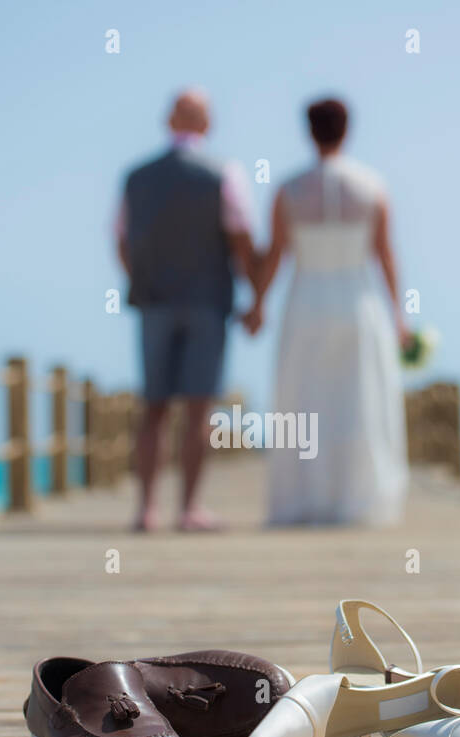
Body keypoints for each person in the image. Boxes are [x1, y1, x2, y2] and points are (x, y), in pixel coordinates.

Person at [244, 97, 410, 526]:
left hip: (306, 301)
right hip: (358, 299)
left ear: (308, 131)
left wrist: (258, 304)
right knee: (360, 401)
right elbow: (385, 255)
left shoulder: (289, 188)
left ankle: (306, 498)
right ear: (347, 129)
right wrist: (399, 315)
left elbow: (276, 255)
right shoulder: (371, 185)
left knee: (303, 404)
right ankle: (359, 500)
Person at [117, 88, 256, 531]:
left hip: (154, 301)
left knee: (153, 407)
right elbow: (240, 237)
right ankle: (189, 509)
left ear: (167, 121)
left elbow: (121, 239)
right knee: (199, 409)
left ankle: (146, 509)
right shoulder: (224, 174)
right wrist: (257, 294)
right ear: (207, 125)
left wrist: (139, 280)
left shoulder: (135, 177)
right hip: (207, 301)